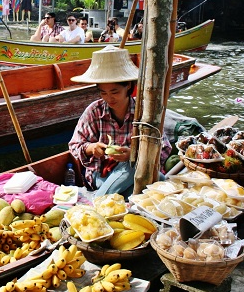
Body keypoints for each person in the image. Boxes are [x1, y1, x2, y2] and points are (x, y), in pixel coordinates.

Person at [68, 46, 172, 197]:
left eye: (115, 92)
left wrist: (134, 155)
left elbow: (164, 148)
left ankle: (97, 201)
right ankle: (100, 201)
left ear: (128, 85)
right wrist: (91, 148)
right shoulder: (94, 111)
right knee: (147, 181)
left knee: (133, 166)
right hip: (102, 175)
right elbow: (74, 146)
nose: (109, 98)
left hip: (136, 171)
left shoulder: (143, 112)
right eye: (104, 92)